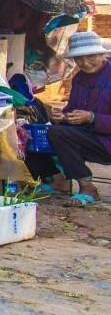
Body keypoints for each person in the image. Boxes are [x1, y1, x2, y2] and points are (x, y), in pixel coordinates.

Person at [25, 31, 111, 205]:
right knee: (28, 133)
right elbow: (73, 109)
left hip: (106, 140)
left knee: (59, 134)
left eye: (91, 56)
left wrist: (92, 117)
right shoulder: (79, 78)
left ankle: (88, 188)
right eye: (79, 58)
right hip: (89, 135)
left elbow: (89, 116)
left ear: (102, 54)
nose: (85, 63)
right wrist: (63, 116)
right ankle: (56, 179)